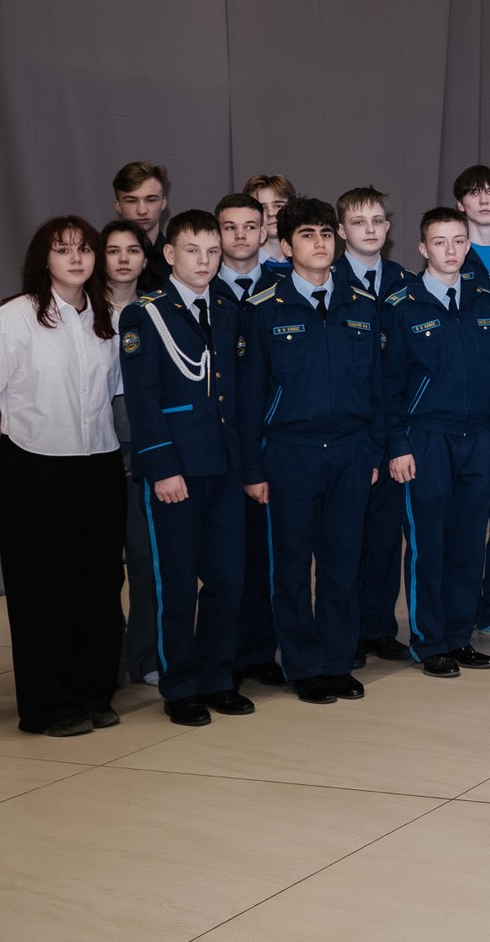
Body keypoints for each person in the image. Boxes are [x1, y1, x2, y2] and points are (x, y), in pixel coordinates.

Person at [0, 216, 125, 734]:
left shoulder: (107, 317)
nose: (76, 258)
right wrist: (10, 460)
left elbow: (114, 396)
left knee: (100, 584)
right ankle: (47, 706)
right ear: (44, 258)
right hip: (35, 465)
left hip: (99, 464)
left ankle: (93, 693)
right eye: (63, 249)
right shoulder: (13, 319)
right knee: (43, 591)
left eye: (85, 249)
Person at [237, 198, 386, 703]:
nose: (319, 242)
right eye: (307, 234)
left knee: (343, 563)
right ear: (285, 246)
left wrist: (373, 452)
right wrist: (253, 468)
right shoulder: (262, 309)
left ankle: (337, 662)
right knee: (293, 565)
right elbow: (249, 397)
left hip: (350, 452)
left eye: (325, 233)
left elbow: (377, 390)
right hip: (290, 453)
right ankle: (303, 667)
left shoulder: (361, 304)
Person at [117, 209, 257, 725]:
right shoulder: (145, 314)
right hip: (176, 469)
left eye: (213, 251)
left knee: (227, 579)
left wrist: (247, 465)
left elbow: (236, 393)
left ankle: (218, 677)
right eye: (193, 251)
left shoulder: (227, 307)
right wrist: (161, 467)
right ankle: (180, 686)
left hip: (223, 466)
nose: (205, 261)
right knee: (175, 584)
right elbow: (143, 399)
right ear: (170, 254)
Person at [381, 208, 490, 678]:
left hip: (478, 438)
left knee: (469, 543)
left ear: (468, 245)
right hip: (425, 438)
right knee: (428, 543)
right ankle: (428, 641)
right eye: (439, 242)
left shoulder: (484, 300)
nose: (450, 250)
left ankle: (459, 636)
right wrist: (398, 444)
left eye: (458, 241)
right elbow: (389, 384)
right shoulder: (402, 304)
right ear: (422, 248)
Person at [334, 187, 420, 665]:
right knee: (345, 539)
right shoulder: (328, 279)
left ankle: (378, 627)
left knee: (386, 537)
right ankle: (344, 634)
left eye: (377, 221)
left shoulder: (407, 283)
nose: (369, 229)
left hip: (394, 427)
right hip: (348, 428)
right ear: (341, 229)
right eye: (358, 221)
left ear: (388, 227)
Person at [208, 193, 283, 683]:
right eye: (230, 227)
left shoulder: (284, 286)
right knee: (223, 560)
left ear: (264, 231)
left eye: (250, 226)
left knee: (266, 554)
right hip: (215, 442)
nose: (240, 235)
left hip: (270, 442)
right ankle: (225, 657)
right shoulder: (200, 288)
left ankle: (260, 652)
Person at [100, 218, 161, 685]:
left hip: (142, 447)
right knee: (101, 565)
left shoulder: (157, 309)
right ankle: (108, 659)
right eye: (113, 250)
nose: (124, 259)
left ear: (146, 258)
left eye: (133, 250)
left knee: (145, 558)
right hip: (93, 449)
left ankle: (146, 655)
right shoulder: (79, 310)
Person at [112, 161, 172, 289]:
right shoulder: (98, 260)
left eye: (151, 200)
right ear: (118, 205)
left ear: (163, 203)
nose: (142, 210)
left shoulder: (178, 261)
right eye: (131, 201)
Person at [245, 174, 296, 270]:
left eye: (278, 206)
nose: (271, 213)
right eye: (262, 208)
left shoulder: (310, 263)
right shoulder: (242, 266)